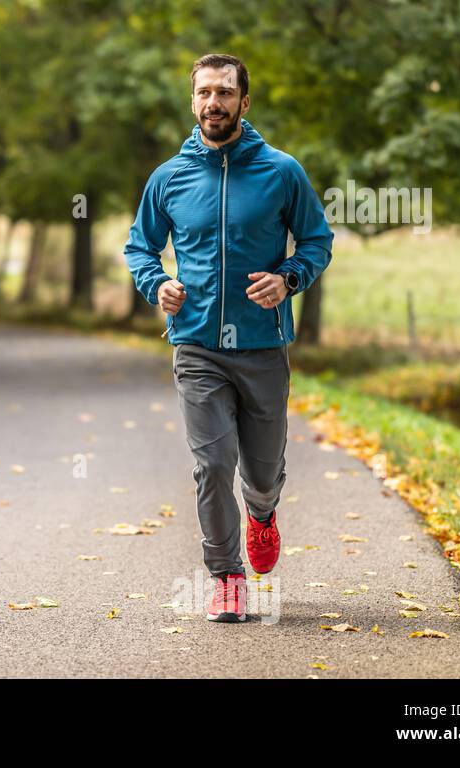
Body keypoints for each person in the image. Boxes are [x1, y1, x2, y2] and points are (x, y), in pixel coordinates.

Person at [123, 53, 334, 623]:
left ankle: (262, 515)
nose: (213, 102)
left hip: (264, 348)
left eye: (224, 92)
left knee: (259, 473)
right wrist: (156, 283)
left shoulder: (282, 171)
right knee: (212, 464)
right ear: (192, 101)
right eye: (204, 93)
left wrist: (289, 278)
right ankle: (226, 578)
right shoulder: (169, 177)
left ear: (244, 101)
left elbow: (317, 240)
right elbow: (139, 246)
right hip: (196, 346)